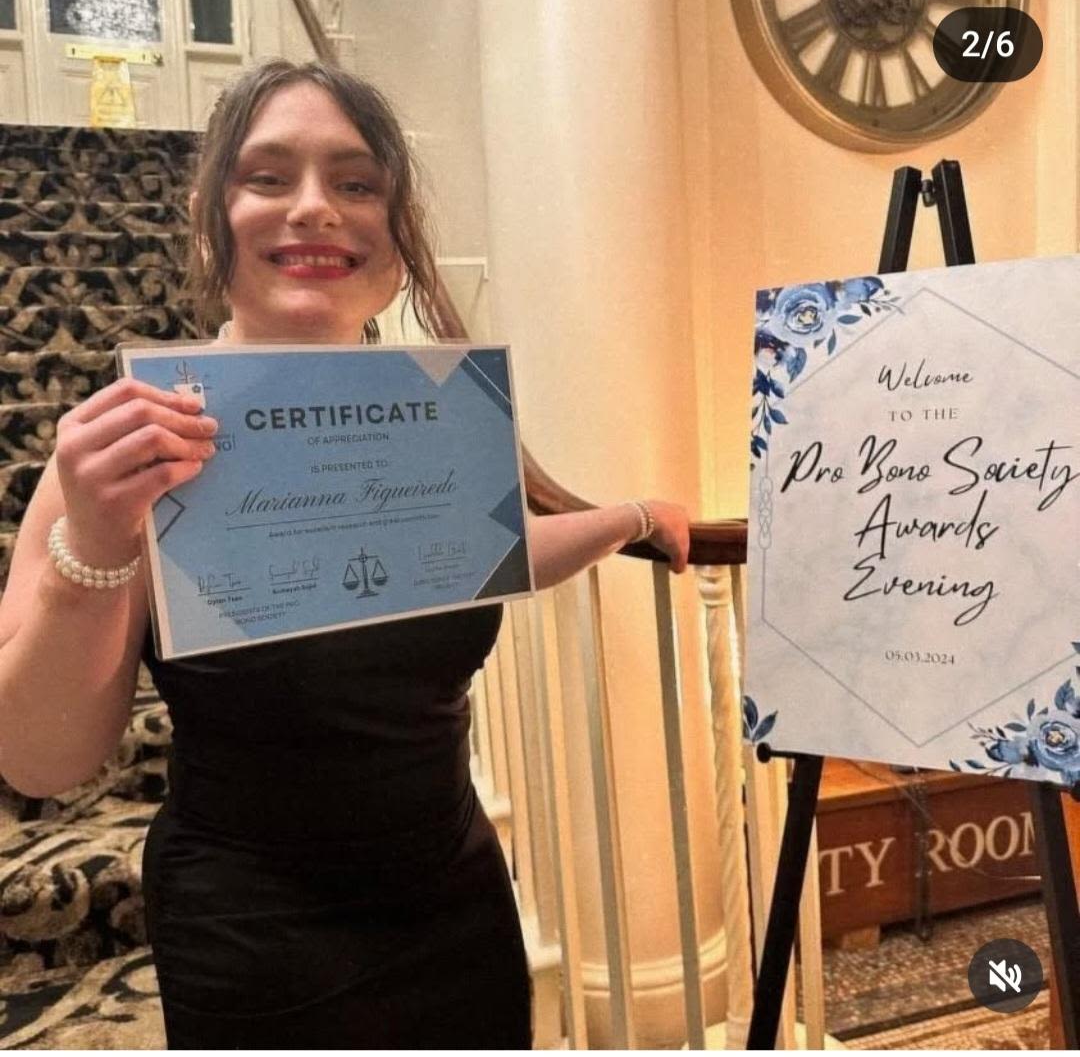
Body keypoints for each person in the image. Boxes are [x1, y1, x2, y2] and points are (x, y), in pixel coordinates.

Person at [0, 60, 690, 1048]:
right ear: (209, 218)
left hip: (456, 899)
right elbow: (40, 757)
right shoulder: (127, 447)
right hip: (257, 934)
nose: (316, 206)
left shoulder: (435, 417)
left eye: (357, 182)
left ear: (398, 237)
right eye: (268, 176)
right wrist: (98, 541)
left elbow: (484, 554)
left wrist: (628, 516)